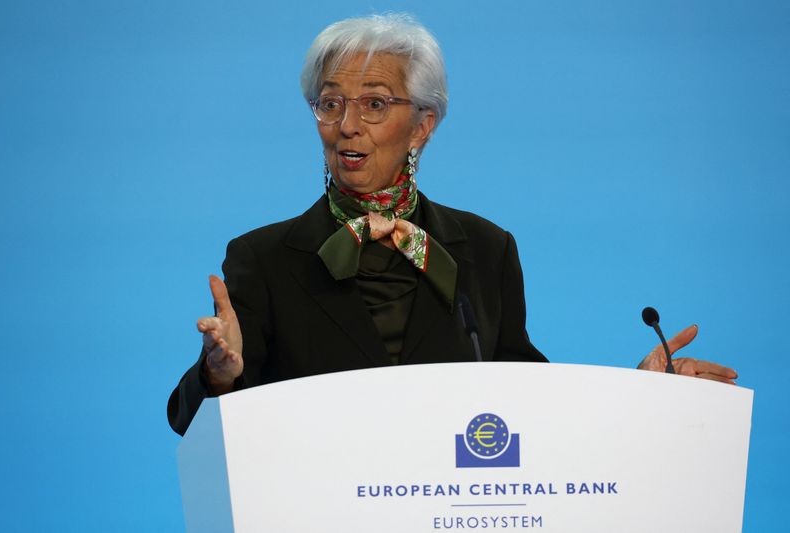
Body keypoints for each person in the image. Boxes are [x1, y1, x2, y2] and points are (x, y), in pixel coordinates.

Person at [167, 14, 737, 436]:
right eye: (329, 103)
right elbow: (188, 423)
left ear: (422, 126)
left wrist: (641, 395)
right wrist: (221, 373)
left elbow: (531, 405)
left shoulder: (487, 250)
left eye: (374, 104)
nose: (346, 126)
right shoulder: (262, 258)